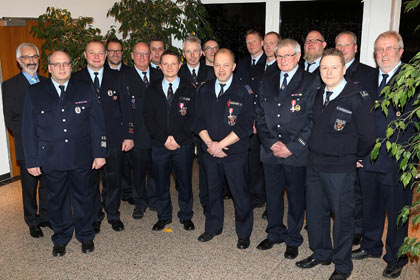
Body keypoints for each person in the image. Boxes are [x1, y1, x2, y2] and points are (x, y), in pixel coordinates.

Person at [295, 48, 376, 280]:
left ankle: (342, 265)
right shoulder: (318, 93)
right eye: (324, 67)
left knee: (342, 218)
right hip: (314, 165)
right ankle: (321, 253)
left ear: (343, 69)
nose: (328, 72)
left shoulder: (357, 97)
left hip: (340, 169)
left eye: (334, 67)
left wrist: (353, 156)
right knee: (316, 214)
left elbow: (368, 136)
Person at [21, 50, 107, 256]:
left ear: (71, 66)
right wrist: (32, 160)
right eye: (56, 64)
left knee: (84, 198)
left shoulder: (85, 89)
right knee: (57, 201)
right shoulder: (35, 92)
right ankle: (60, 238)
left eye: (66, 64)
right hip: (52, 158)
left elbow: (98, 124)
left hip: (81, 156)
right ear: (49, 68)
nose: (61, 68)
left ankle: (86, 236)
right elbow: (28, 129)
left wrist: (100, 152)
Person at [352, 31, 414, 279]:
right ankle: (370, 245)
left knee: (397, 209)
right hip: (367, 157)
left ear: (400, 51)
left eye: (389, 49)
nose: (384, 54)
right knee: (371, 205)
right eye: (379, 49)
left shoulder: (412, 79)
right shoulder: (366, 78)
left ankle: (396, 257)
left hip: (398, 160)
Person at [255, 39, 319, 259]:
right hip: (270, 150)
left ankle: (293, 238)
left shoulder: (311, 81)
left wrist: (292, 147)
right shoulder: (267, 78)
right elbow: (260, 115)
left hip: (296, 153)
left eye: (287, 56)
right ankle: (274, 233)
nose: (282, 60)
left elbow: (313, 119)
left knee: (295, 198)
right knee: (272, 195)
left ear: (298, 56)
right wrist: (270, 143)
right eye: (279, 56)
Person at [193, 48, 254, 249]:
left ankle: (244, 233)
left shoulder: (243, 90)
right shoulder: (204, 89)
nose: (221, 69)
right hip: (210, 152)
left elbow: (245, 126)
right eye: (217, 64)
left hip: (234, 154)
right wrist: (210, 144)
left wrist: (221, 145)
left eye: (226, 64)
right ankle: (212, 227)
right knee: (212, 192)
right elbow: (197, 120)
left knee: (240, 194)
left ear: (234, 67)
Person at [72, 40, 134, 233]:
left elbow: (126, 108)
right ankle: (96, 216)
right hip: (87, 141)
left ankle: (113, 215)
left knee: (113, 179)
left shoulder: (118, 77)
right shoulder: (75, 78)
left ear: (106, 55)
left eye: (100, 53)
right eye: (92, 53)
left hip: (114, 138)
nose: (97, 57)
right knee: (90, 181)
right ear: (85, 55)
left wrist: (129, 135)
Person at [144, 50, 196, 231]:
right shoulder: (152, 89)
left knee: (184, 182)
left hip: (184, 144)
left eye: (173, 63)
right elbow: (148, 118)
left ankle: (186, 215)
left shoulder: (190, 89)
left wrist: (178, 139)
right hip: (160, 145)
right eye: (165, 64)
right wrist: (164, 139)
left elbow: (194, 117)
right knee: (161, 182)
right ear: (160, 66)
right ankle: (164, 216)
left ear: (179, 66)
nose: (169, 67)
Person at [1, 43, 49, 238]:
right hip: (27, 146)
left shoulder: (48, 82)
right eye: (27, 57)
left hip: (49, 145)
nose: (31, 61)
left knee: (47, 184)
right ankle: (32, 221)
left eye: (35, 57)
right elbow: (11, 118)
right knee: (29, 187)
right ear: (19, 61)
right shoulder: (9, 85)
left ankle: (46, 216)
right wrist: (32, 137)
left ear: (39, 59)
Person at [335, 31, 376, 246]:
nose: (342, 49)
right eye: (338, 45)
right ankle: (341, 226)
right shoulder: (330, 71)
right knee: (339, 191)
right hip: (335, 142)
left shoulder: (368, 74)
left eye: (347, 45)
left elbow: (371, 112)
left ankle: (356, 230)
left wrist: (361, 150)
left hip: (356, 142)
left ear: (355, 48)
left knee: (356, 192)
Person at [125, 42, 162, 219]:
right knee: (138, 171)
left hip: (156, 133)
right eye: (138, 54)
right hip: (136, 134)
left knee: (155, 169)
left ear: (150, 56)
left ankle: (154, 200)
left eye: (146, 54)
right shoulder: (124, 77)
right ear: (132, 55)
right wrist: (128, 135)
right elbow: (122, 110)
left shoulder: (159, 75)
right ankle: (139, 202)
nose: (142, 57)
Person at [179, 36, 215, 214]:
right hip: (184, 128)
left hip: (205, 128)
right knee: (183, 168)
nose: (192, 55)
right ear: (183, 54)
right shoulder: (176, 72)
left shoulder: (212, 71)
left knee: (206, 167)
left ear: (201, 53)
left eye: (195, 51)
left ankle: (207, 201)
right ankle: (185, 205)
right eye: (188, 51)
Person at [236, 29, 267, 209]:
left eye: (254, 41)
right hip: (244, 117)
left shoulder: (270, 63)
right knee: (247, 158)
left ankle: (259, 195)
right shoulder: (242, 64)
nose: (251, 45)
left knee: (259, 160)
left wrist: (257, 119)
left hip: (261, 120)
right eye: (248, 42)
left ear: (261, 42)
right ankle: (248, 191)